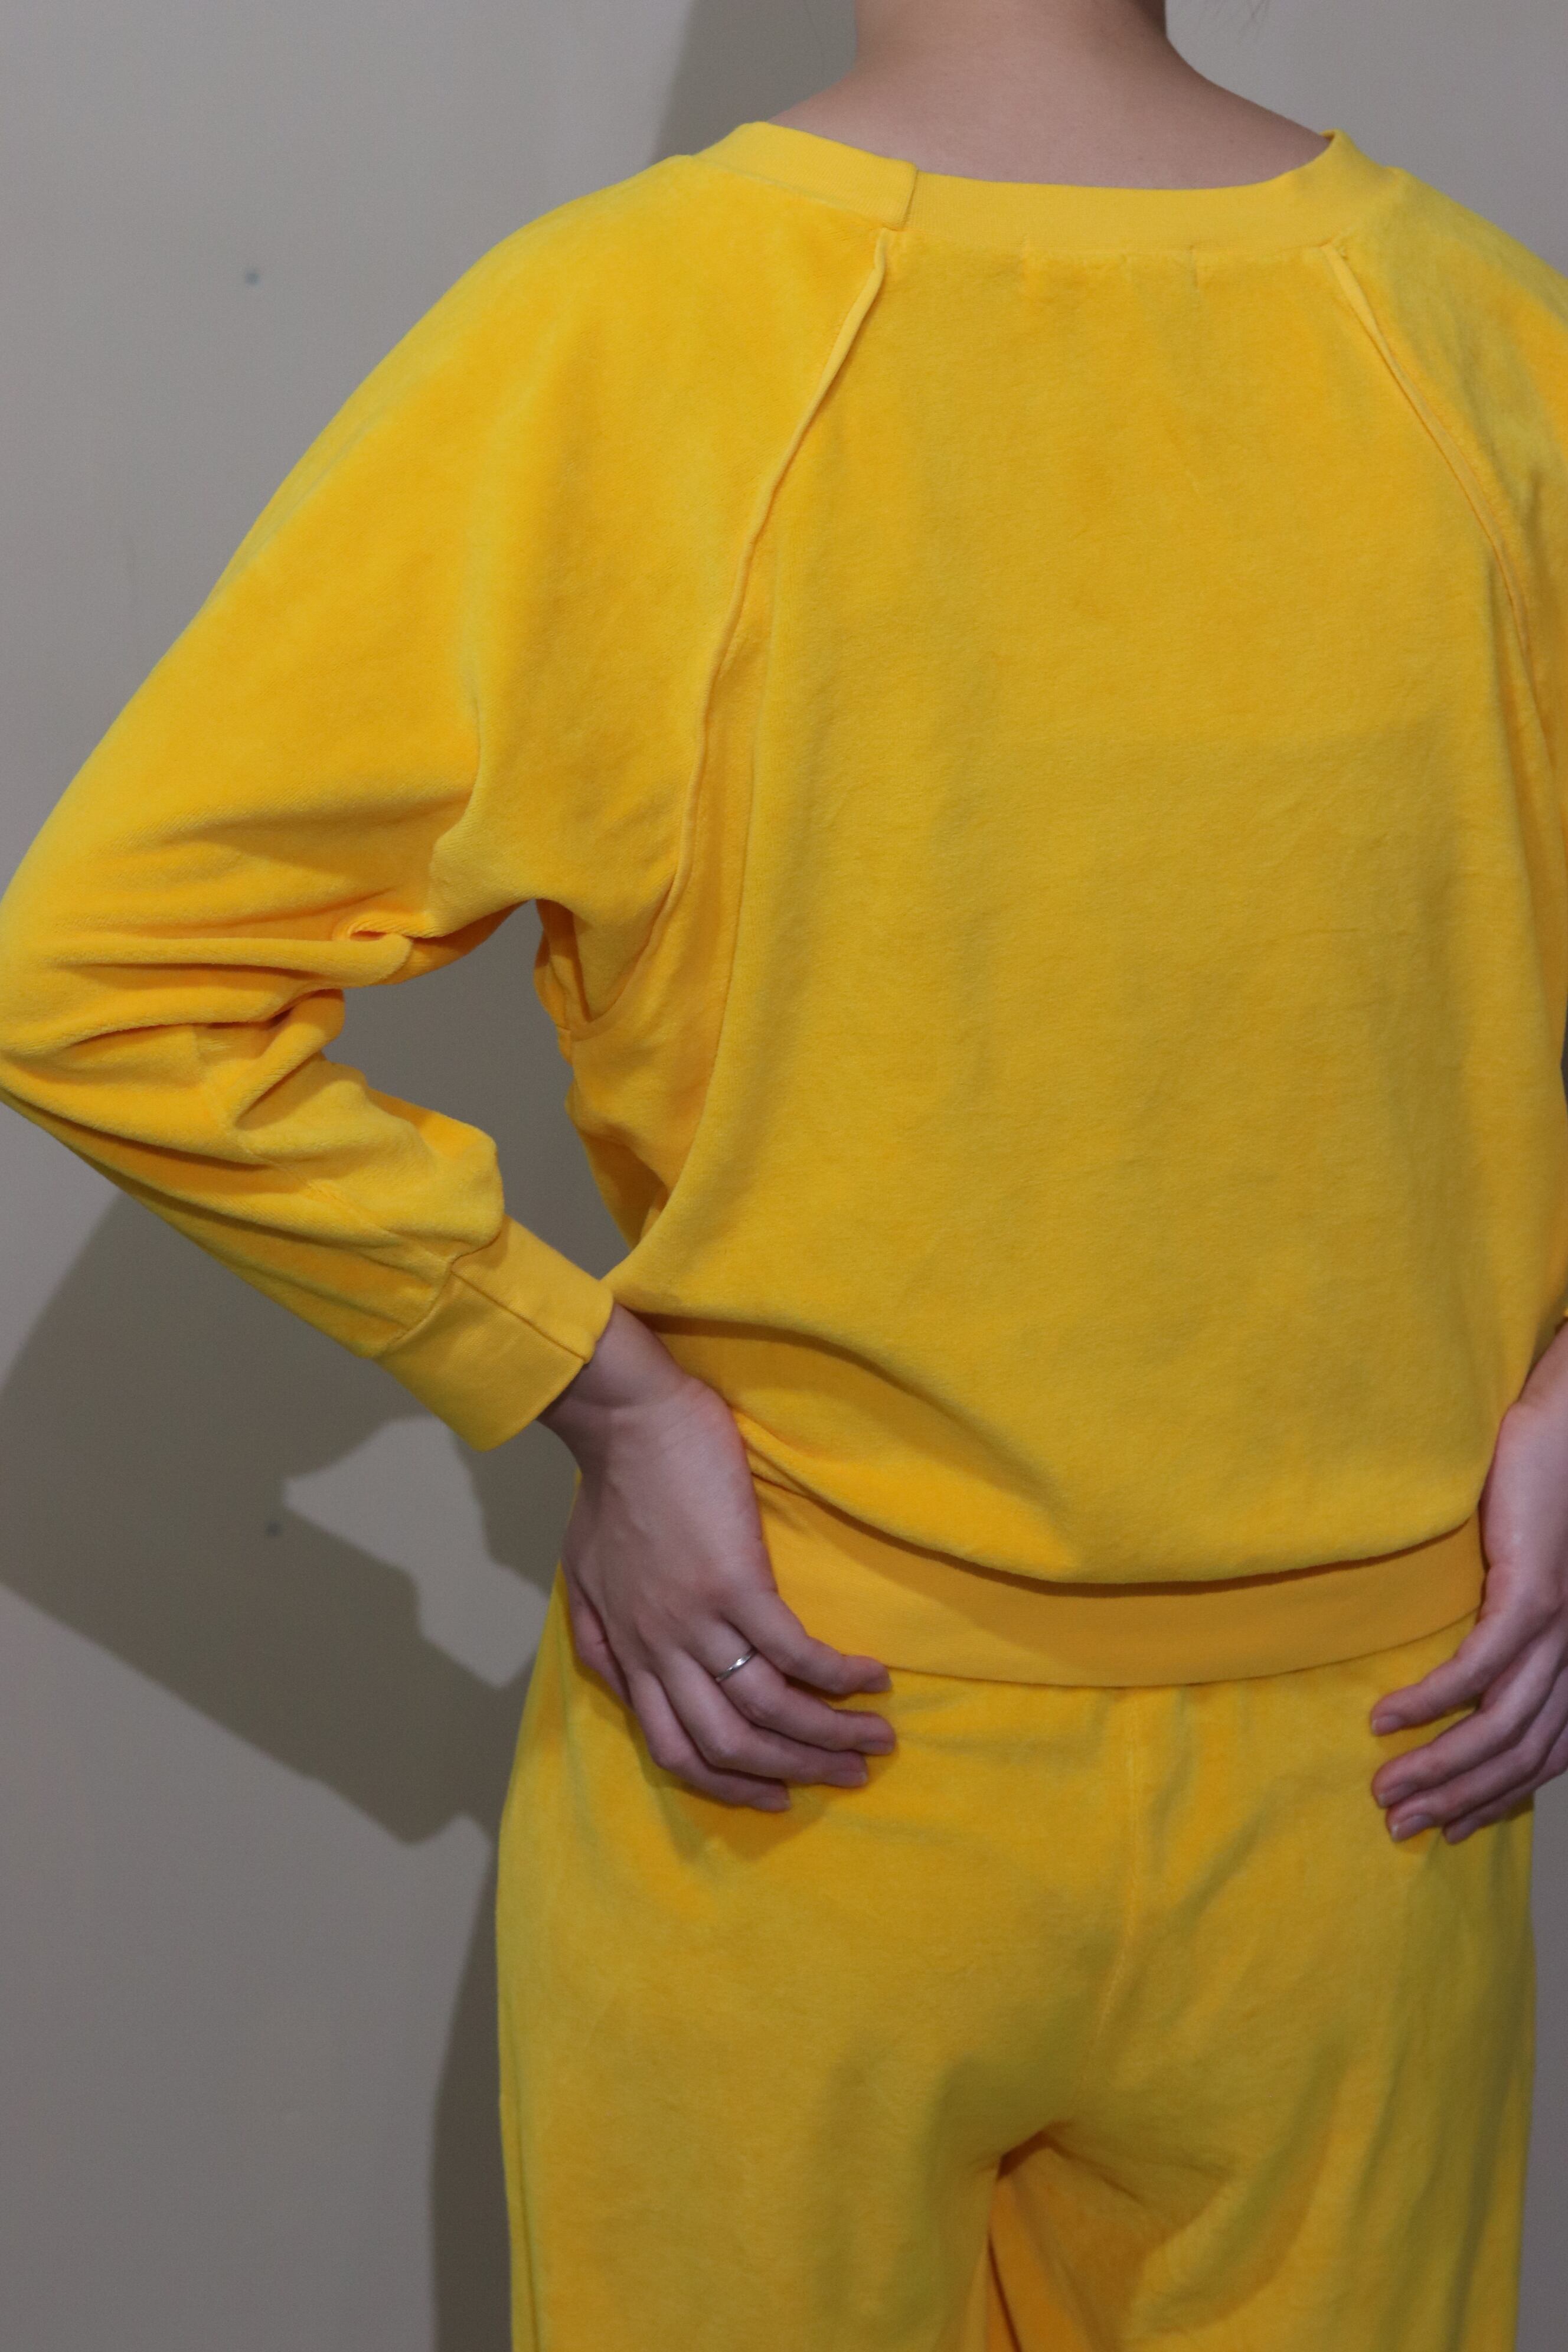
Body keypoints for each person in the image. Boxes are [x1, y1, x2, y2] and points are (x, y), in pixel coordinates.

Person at [1, 0, 1565, 2341]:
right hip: (1367, 1792)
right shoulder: (1490, 336)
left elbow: (96, 976)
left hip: (790, 1759)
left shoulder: (621, 329)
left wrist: (593, 1392)